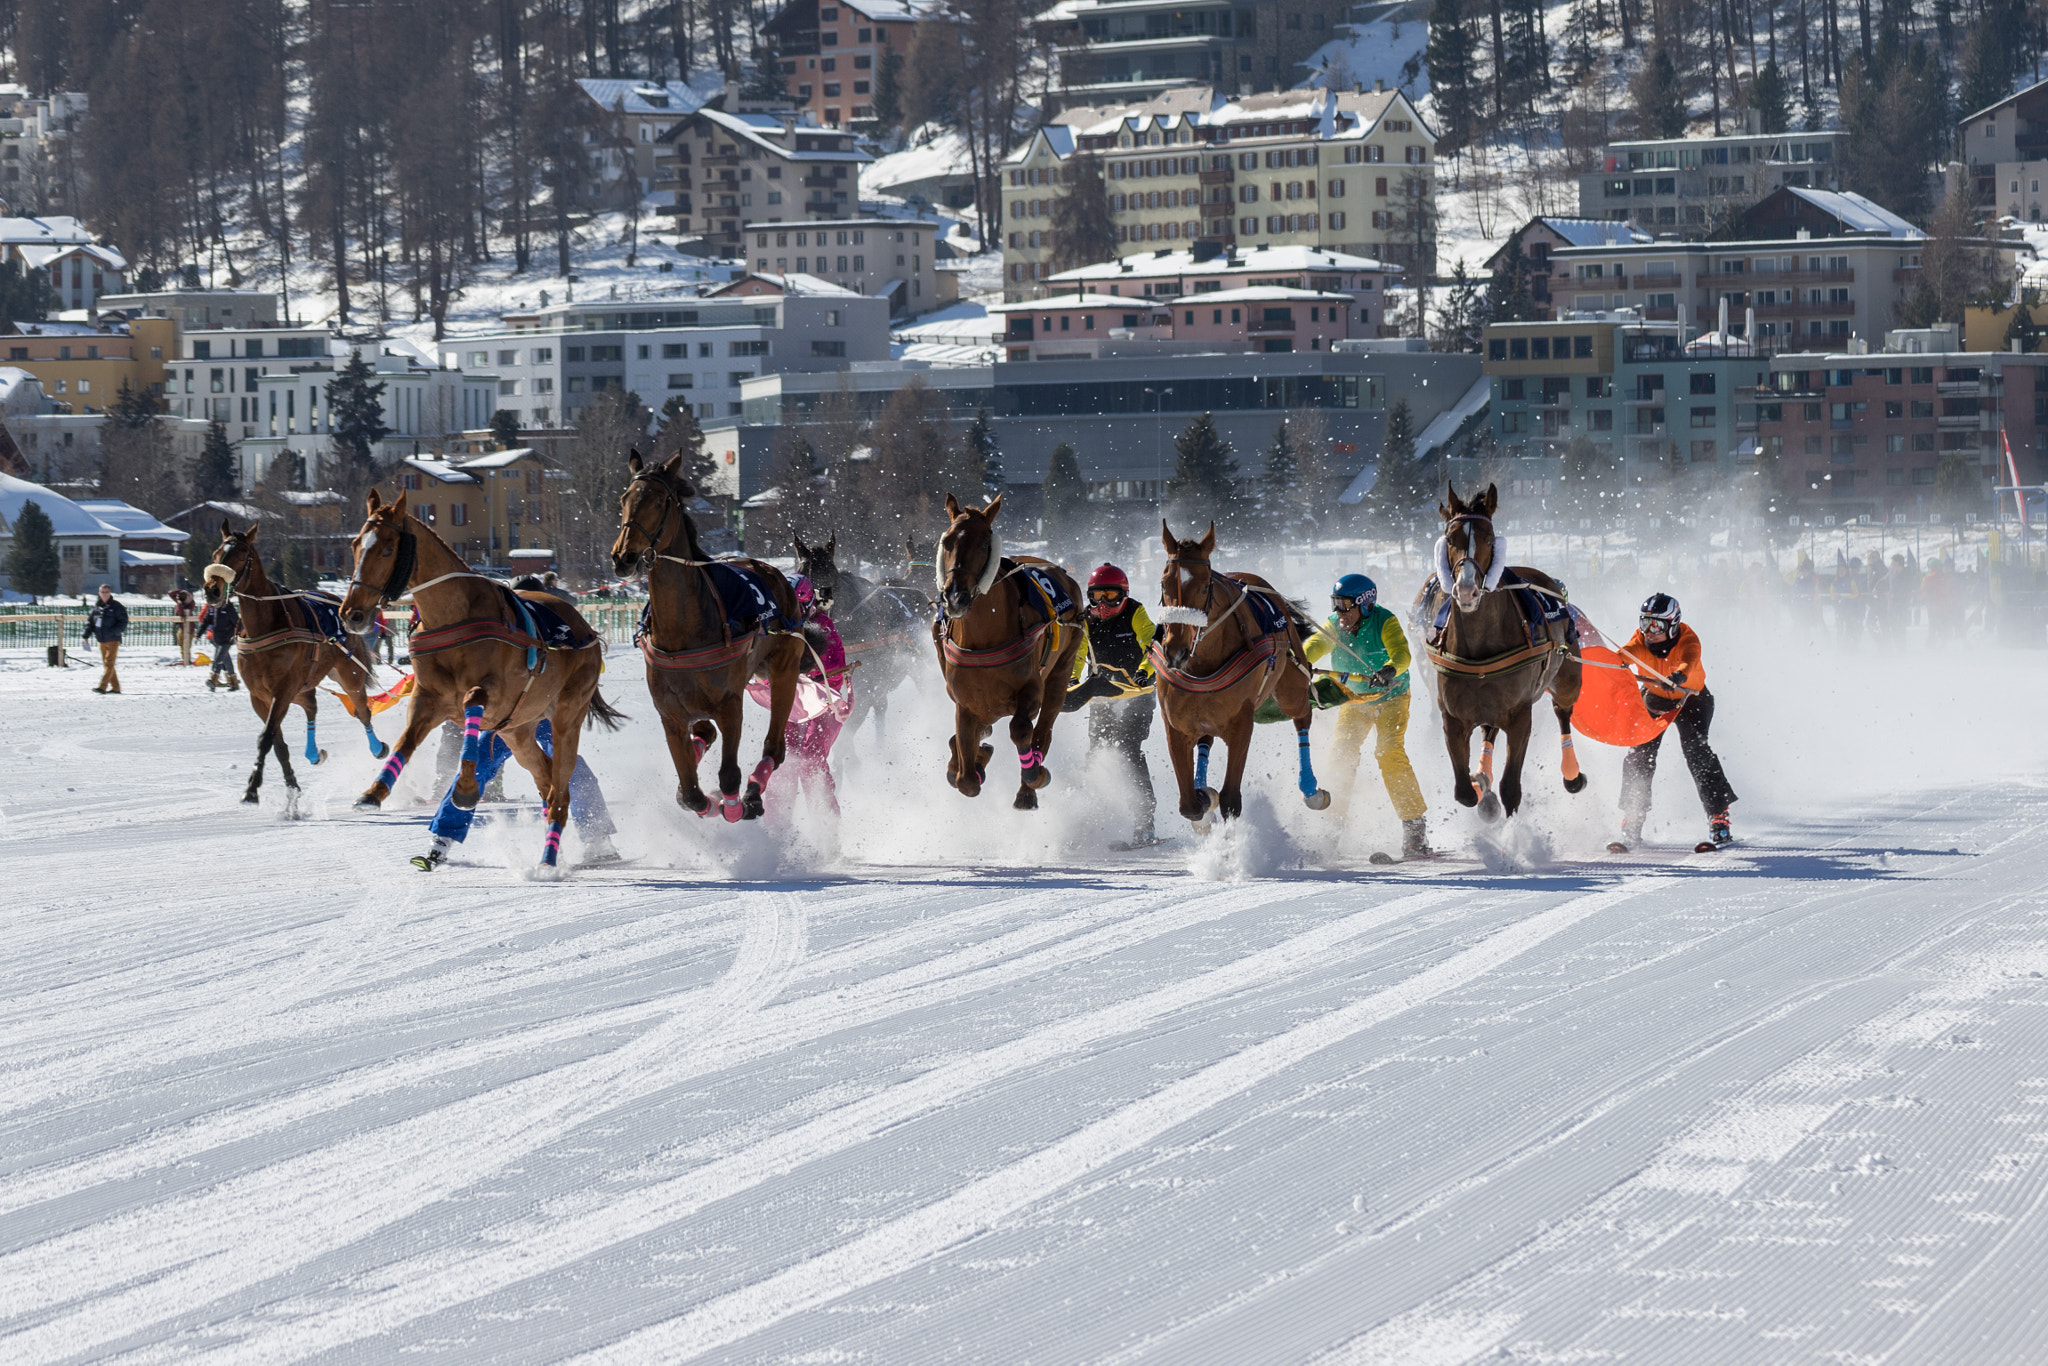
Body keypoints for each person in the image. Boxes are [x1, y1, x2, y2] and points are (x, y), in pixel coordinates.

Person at [1304, 573, 1429, 858]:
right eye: (1335, 604)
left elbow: (1402, 654)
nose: (1339, 612)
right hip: (1355, 700)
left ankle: (1415, 829)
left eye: (1345, 605)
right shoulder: (1335, 624)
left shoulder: (1385, 620)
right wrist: (1302, 659)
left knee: (1388, 752)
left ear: (1365, 603)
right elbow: (1315, 645)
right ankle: (1332, 828)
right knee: (1342, 753)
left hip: (1392, 698)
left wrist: (1388, 669)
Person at [412, 718, 619, 871]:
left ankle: (597, 837)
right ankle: (443, 838)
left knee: (572, 769)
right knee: (476, 769)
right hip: (507, 719)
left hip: (545, 712)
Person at [1616, 592, 1737, 849]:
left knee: (1696, 751)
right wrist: (1611, 663)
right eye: (1645, 623)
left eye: (1657, 625)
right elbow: (1625, 654)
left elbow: (1689, 662)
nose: (1650, 631)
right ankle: (1633, 816)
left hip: (1692, 699)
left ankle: (1719, 818)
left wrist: (1678, 677)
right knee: (1640, 751)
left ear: (1672, 624)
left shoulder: (1688, 638)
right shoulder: (1641, 640)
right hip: (1657, 698)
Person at [1061, 563, 1158, 846]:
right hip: (1103, 694)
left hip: (1137, 692)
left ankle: (1145, 821)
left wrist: (1145, 670)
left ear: (1124, 595)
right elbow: (1079, 654)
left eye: (1111, 596)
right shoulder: (1087, 621)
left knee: (1128, 749)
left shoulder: (1135, 612)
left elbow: (1151, 642)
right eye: (1097, 596)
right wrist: (1070, 681)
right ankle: (1093, 818)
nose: (1104, 604)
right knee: (1098, 753)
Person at [783, 574, 852, 814]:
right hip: (793, 706)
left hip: (826, 703)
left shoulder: (821, 625)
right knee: (781, 759)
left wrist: (801, 670)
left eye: (794, 608)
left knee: (809, 758)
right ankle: (776, 827)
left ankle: (826, 825)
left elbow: (833, 671)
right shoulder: (779, 628)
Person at [83, 583, 128, 694]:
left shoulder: (116, 606)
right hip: (101, 640)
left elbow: (123, 622)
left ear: (110, 593)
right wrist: (86, 635)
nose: (105, 594)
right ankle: (116, 688)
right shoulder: (97, 607)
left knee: (109, 663)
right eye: (102, 592)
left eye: (107, 592)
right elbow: (90, 622)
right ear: (99, 593)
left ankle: (102, 687)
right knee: (108, 664)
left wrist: (114, 632)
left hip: (113, 639)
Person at [202, 594, 241, 691]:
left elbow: (236, 622)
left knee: (219, 659)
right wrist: (199, 633)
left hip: (227, 638)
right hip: (217, 639)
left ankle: (213, 680)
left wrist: (237, 634)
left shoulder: (228, 608)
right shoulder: (213, 608)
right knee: (226, 660)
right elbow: (206, 620)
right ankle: (234, 683)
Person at [168, 588, 199, 665]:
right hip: (181, 628)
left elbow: (182, 615)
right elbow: (170, 593)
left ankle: (187, 661)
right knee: (181, 645)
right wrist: (180, 591)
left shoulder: (190, 604)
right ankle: (185, 660)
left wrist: (179, 604)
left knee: (186, 646)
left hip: (189, 629)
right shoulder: (181, 601)